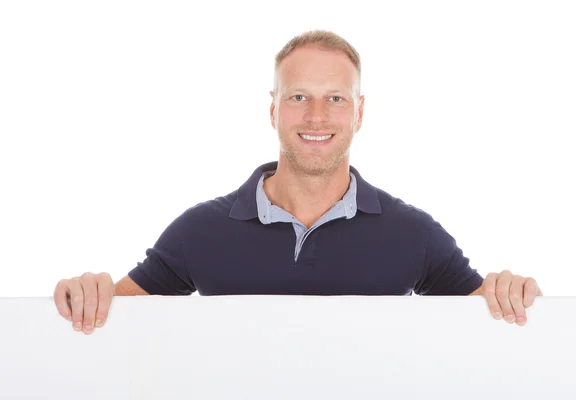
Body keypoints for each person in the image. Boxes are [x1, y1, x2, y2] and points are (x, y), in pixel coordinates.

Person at [54, 30, 543, 335]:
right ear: (273, 109)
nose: (316, 115)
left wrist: (508, 290)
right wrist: (89, 292)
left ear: (359, 112)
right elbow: (115, 316)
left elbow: (486, 323)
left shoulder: (413, 234)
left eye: (335, 98)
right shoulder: (199, 231)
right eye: (298, 97)